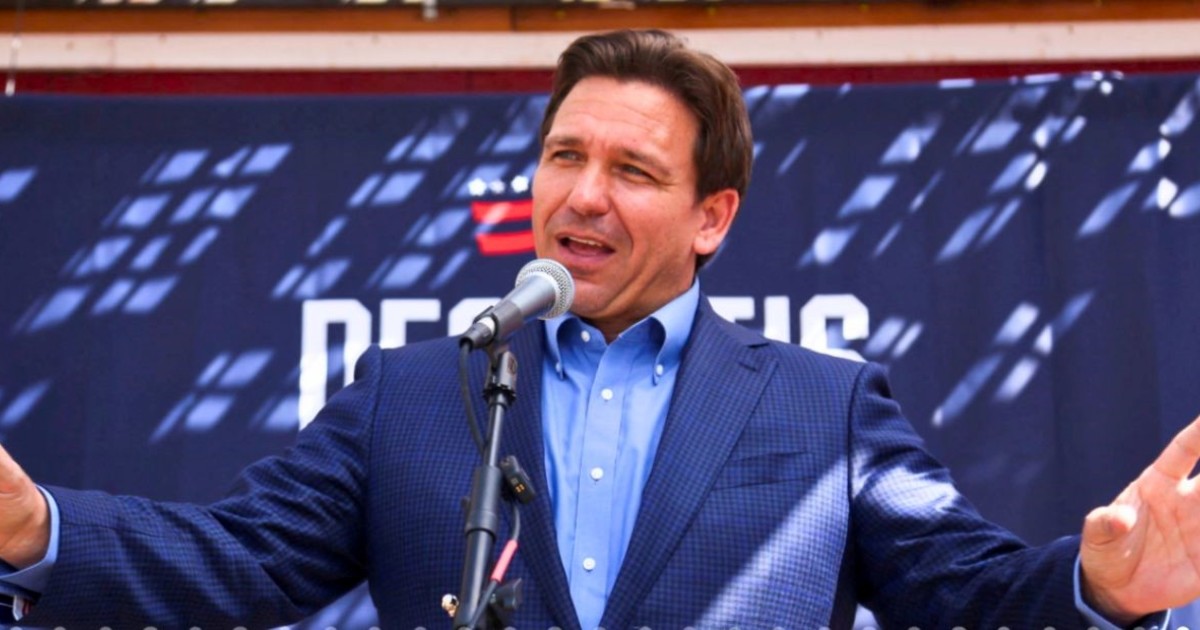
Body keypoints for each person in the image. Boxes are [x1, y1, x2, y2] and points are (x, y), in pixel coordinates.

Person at [0, 28, 1198, 629]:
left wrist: (1099, 587)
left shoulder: (823, 406)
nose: (581, 195)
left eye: (631, 170)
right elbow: (237, 560)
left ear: (712, 216)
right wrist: (33, 528)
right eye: (564, 156)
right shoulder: (416, 391)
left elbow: (967, 592)